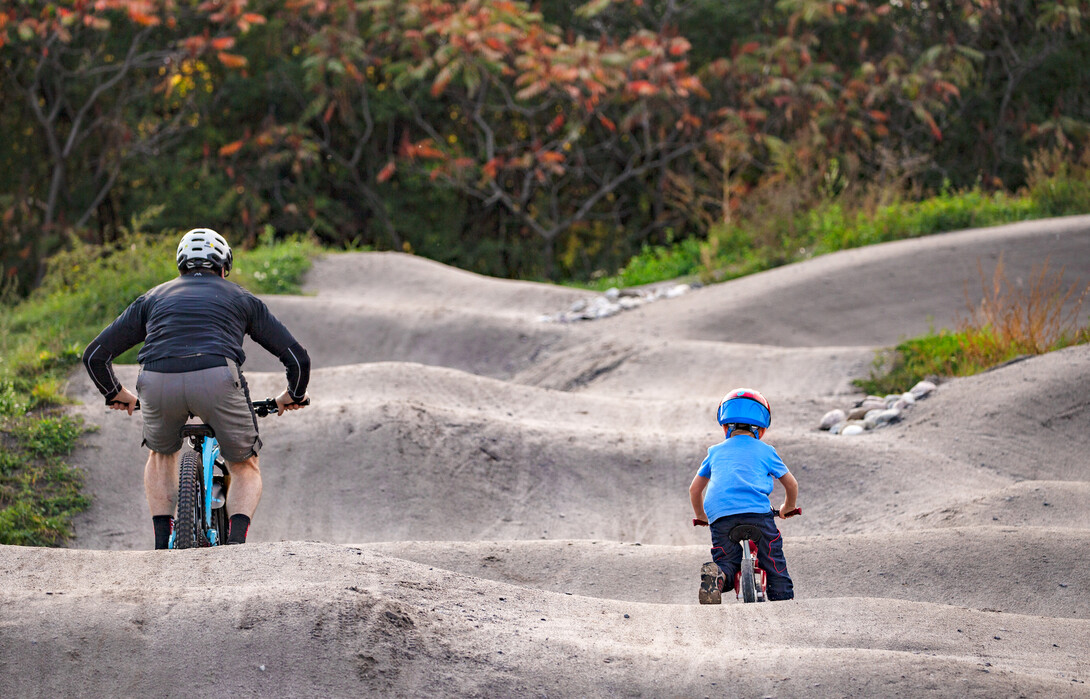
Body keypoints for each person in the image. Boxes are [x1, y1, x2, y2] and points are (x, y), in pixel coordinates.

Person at [82, 228, 311, 549]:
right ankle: (236, 545)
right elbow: (297, 359)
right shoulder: (242, 298)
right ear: (223, 268)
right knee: (245, 465)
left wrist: (114, 392)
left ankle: (163, 546)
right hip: (217, 379)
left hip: (156, 379)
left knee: (161, 456)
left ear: (181, 267)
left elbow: (94, 355)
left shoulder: (152, 298)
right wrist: (294, 396)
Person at [689, 388, 798, 603]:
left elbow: (695, 489)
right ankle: (783, 600)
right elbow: (791, 484)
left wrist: (702, 516)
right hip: (757, 513)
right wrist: (787, 507)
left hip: (720, 516)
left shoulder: (715, 451)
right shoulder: (766, 450)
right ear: (762, 428)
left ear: (724, 425)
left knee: (726, 559)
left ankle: (718, 576)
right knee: (772, 558)